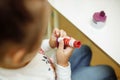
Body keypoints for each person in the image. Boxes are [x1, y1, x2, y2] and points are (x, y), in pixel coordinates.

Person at [0, 0, 117, 80]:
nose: (42, 38)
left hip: (52, 68)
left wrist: (50, 44)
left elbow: (38, 50)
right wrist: (63, 65)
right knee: (107, 71)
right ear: (19, 55)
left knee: (85, 50)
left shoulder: (11, 53)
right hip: (61, 75)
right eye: (40, 36)